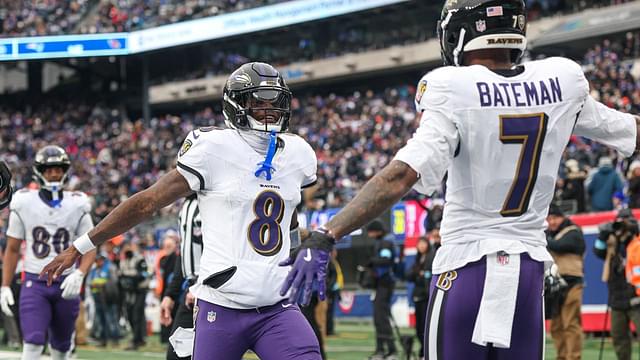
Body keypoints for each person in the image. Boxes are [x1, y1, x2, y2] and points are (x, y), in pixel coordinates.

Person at [278, 1, 640, 359]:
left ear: (461, 33)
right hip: (528, 272)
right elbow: (628, 130)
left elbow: (402, 174)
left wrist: (330, 232)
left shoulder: (454, 87)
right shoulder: (562, 81)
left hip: (467, 267)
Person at [42, 62, 321, 360]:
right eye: (258, 101)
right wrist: (81, 245)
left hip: (278, 306)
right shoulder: (214, 147)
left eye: (274, 101)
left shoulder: (298, 153)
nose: (269, 109)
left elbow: (287, 216)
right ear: (236, 104)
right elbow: (148, 202)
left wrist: (300, 253)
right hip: (222, 304)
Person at [1, 145, 95, 360]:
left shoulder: (78, 202)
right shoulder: (24, 201)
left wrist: (80, 273)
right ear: (39, 171)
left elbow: (90, 245)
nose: (54, 173)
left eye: (58, 169)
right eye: (49, 169)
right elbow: (13, 248)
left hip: (66, 283)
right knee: (32, 342)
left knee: (62, 348)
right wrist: (5, 286)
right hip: (35, 282)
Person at [594, 208, 640, 360]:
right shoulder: (613, 240)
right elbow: (598, 251)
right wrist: (602, 236)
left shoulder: (636, 240)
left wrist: (634, 229)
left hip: (636, 298)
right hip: (616, 298)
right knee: (619, 336)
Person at [162, 194, 203, 360]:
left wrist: (203, 283)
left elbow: (224, 250)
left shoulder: (215, 201)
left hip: (214, 291)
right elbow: (185, 254)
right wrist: (170, 295)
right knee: (177, 354)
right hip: (191, 292)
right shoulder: (187, 205)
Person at [545, 204, 585, 360]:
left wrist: (544, 239)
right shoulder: (550, 233)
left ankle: (574, 357)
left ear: (562, 217)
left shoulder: (573, 232)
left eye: (555, 218)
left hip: (572, 283)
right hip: (555, 286)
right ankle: (561, 357)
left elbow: (560, 246)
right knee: (556, 326)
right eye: (549, 219)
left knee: (570, 324)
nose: (552, 222)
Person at [364, 220, 398, 360]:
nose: (370, 235)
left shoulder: (385, 242)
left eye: (371, 232)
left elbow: (385, 260)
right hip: (382, 284)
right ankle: (382, 349)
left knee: (381, 318)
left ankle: (390, 350)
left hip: (384, 283)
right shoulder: (385, 241)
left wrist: (372, 261)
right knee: (379, 317)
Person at [407, 234, 438, 360]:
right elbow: (409, 274)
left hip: (427, 296)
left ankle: (426, 352)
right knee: (419, 326)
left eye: (423, 243)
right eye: (419, 243)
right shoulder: (417, 258)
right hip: (418, 296)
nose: (421, 246)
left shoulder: (432, 256)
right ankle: (422, 350)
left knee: (426, 325)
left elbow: (429, 275)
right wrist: (417, 273)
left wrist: (421, 274)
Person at [119, 242, 150, 350]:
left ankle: (137, 340)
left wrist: (129, 277)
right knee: (129, 314)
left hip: (140, 290)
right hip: (128, 292)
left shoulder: (139, 259)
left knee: (137, 314)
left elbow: (143, 274)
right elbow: (120, 276)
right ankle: (138, 338)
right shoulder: (122, 262)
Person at [87, 252, 120, 347]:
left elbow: (114, 281)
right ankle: (103, 340)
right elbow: (89, 282)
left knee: (111, 318)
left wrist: (101, 284)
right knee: (101, 319)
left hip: (108, 297)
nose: (98, 262)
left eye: (100, 259)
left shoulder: (110, 267)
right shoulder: (94, 270)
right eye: (97, 260)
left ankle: (115, 339)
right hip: (97, 296)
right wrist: (97, 284)